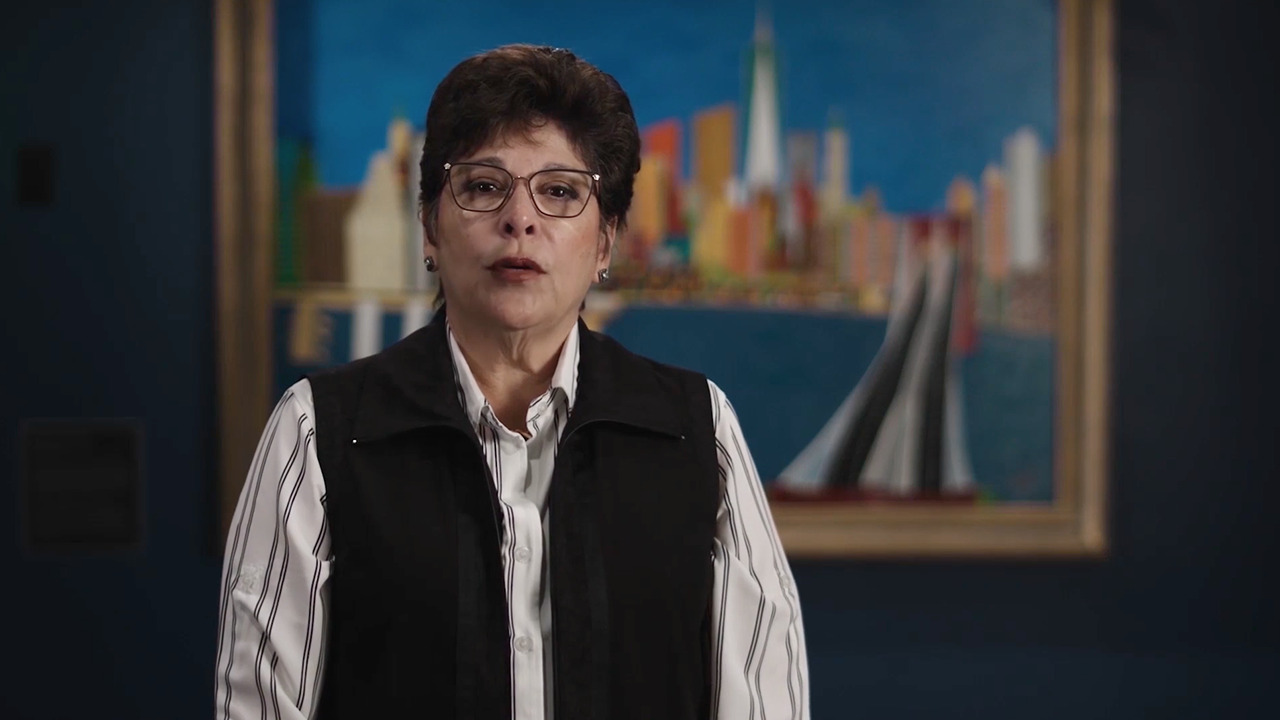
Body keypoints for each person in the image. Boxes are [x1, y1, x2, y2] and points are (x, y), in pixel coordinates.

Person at [214, 44, 808, 720]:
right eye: (483, 186)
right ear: (429, 227)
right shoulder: (318, 432)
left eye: (559, 191)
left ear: (607, 240)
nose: (519, 219)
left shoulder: (697, 428)